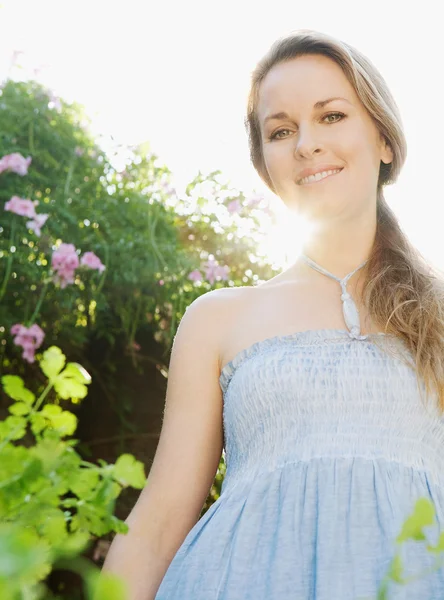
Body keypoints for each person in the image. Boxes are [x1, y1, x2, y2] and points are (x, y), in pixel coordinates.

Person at [101, 29, 444, 599]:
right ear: (265, 164)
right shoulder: (217, 318)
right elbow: (160, 520)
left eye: (331, 116)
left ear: (384, 140)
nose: (306, 143)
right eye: (281, 131)